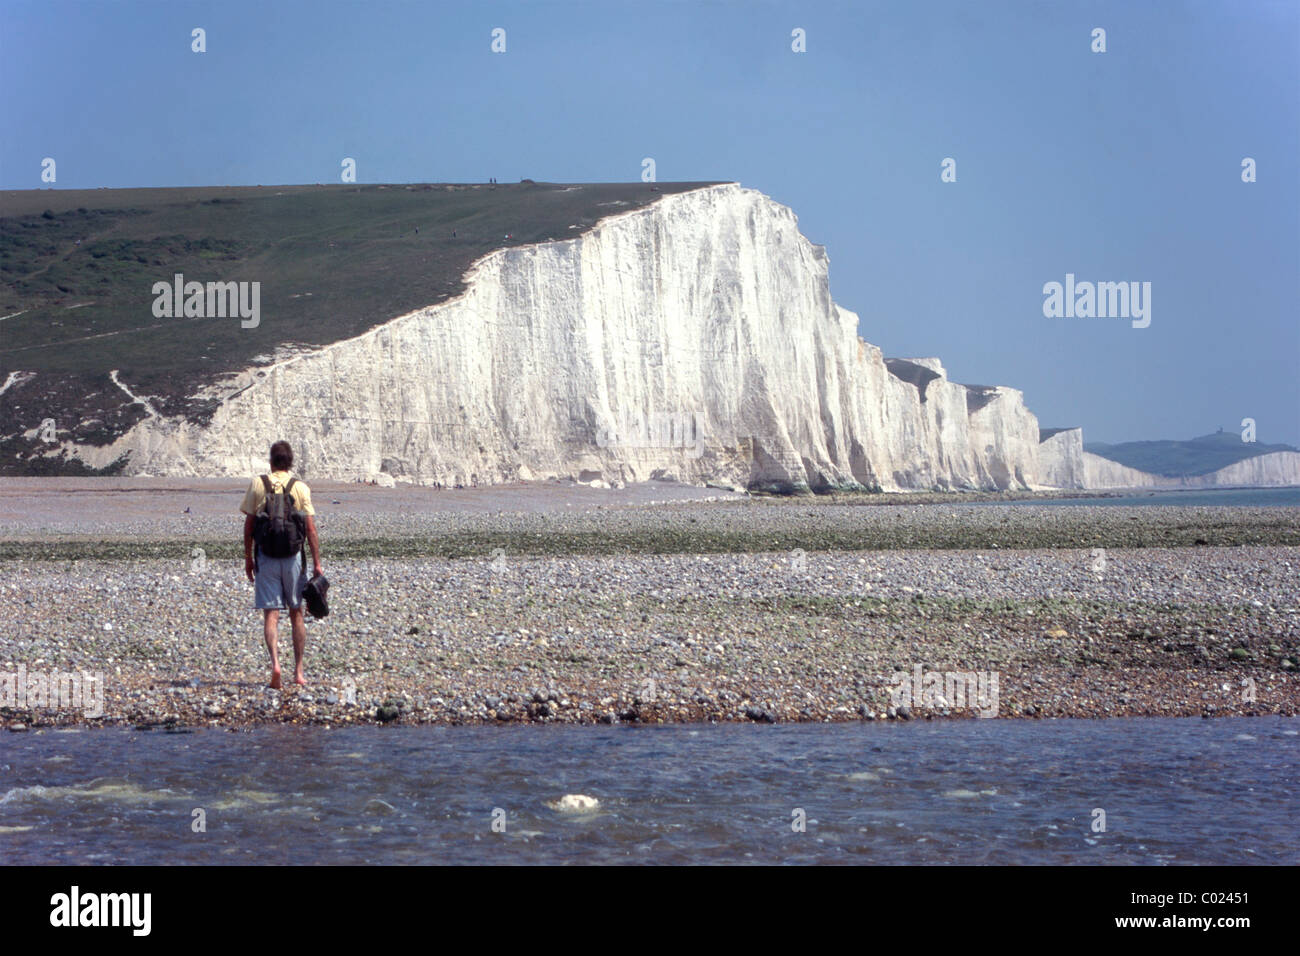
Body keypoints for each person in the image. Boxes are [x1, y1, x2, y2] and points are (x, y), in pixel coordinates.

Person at [239, 441, 323, 689]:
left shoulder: (258, 484)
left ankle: (275, 664)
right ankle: (298, 671)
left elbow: (249, 526)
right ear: (290, 462)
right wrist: (317, 563)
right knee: (297, 613)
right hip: (293, 558)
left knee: (271, 615)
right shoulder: (300, 488)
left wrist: (248, 558)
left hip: (266, 557)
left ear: (271, 461)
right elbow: (310, 529)